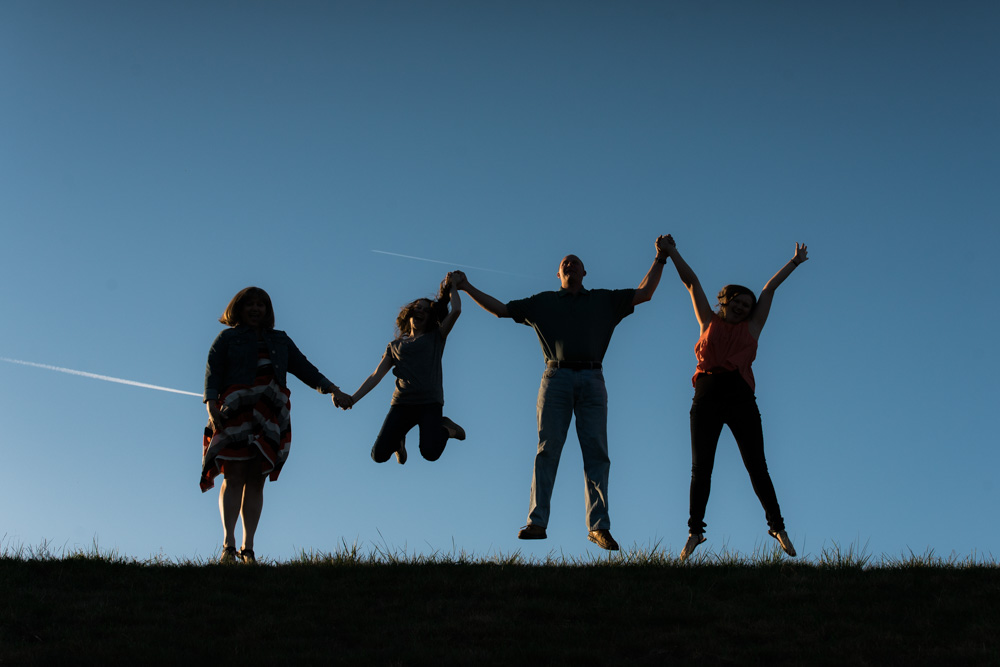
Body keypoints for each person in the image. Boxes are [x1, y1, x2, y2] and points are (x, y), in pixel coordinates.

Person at [452, 236, 670, 551]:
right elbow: (500, 310)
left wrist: (660, 258)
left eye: (576, 262)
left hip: (593, 378)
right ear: (558, 274)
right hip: (556, 378)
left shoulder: (604, 300)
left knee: (597, 453)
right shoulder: (542, 303)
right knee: (547, 450)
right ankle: (536, 523)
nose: (570, 264)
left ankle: (599, 527)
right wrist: (467, 286)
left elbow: (645, 293)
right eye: (564, 262)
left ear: (585, 272)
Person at [659, 236, 807, 561]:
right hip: (707, 394)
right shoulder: (707, 322)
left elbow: (769, 290)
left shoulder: (752, 329)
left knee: (758, 466)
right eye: (738, 302)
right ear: (725, 301)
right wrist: (672, 253)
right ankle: (694, 532)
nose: (742, 307)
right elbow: (691, 282)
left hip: (740, 397)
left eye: (747, 305)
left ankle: (778, 527)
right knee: (701, 468)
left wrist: (793, 263)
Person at [201, 286, 352, 564]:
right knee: (233, 475)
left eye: (262, 304)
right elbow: (213, 371)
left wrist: (333, 389)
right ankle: (228, 546)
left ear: (268, 311)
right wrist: (211, 404)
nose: (256, 309)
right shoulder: (227, 338)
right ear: (239, 308)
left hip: (270, 409)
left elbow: (306, 368)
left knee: (256, 480)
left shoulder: (280, 340)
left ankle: (248, 549)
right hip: (235, 408)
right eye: (250, 304)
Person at [349, 274, 466, 464]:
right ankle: (398, 441)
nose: (419, 311)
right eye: (417, 308)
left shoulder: (436, 336)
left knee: (430, 453)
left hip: (429, 403)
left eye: (425, 310)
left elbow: (457, 310)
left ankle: (446, 428)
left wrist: (452, 287)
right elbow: (376, 375)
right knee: (378, 455)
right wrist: (353, 399)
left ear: (430, 317)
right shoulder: (394, 346)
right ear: (410, 313)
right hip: (402, 404)